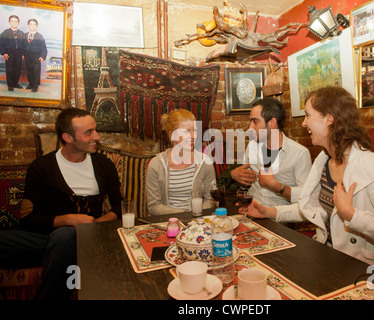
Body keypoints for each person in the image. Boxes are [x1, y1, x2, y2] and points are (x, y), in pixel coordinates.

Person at [243, 86, 374, 268]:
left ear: (329, 119)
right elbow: (310, 207)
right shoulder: (324, 159)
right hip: (327, 256)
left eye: (308, 115)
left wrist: (352, 215)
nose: (303, 123)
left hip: (361, 268)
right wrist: (269, 212)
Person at [0, 108, 123, 299]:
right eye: (89, 132)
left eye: (95, 130)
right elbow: (27, 221)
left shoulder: (103, 165)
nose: (96, 137)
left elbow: (120, 207)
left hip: (93, 237)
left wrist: (95, 224)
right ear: (68, 137)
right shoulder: (41, 167)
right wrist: (66, 219)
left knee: (64, 237)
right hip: (49, 239)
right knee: (60, 238)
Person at [231, 97, 311, 206]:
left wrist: (276, 186)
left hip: (279, 219)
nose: (250, 127)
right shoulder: (252, 146)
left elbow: (306, 197)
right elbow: (247, 181)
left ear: (272, 123)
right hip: (250, 210)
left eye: (255, 122)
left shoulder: (299, 153)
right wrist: (235, 176)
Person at [146, 109, 216, 215]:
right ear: (172, 135)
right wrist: (184, 214)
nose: (193, 136)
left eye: (195, 131)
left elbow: (211, 200)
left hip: (197, 222)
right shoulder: (156, 165)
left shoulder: (205, 162)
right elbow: (154, 206)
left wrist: (194, 216)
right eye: (187, 131)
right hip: (167, 223)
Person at [0, 15, 25, 91]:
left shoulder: (21, 33)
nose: (14, 23)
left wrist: (23, 54)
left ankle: (15, 83)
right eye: (12, 21)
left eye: (16, 22)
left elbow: (24, 44)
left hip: (19, 53)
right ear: (9, 22)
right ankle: (10, 85)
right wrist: (4, 53)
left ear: (18, 23)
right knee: (10, 69)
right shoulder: (5, 32)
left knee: (17, 69)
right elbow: (1, 43)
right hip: (9, 53)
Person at [24, 18, 47, 92]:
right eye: (31, 24)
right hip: (27, 56)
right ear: (28, 25)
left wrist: (42, 56)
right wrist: (22, 54)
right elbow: (22, 46)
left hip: (36, 56)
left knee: (36, 71)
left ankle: (35, 86)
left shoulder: (40, 36)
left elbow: (43, 47)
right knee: (29, 70)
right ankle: (30, 83)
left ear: (37, 26)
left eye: (34, 25)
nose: (32, 26)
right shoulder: (24, 35)